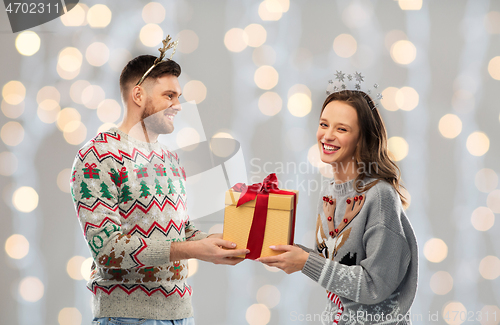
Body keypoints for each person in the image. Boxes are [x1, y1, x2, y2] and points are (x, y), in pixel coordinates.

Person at [70, 37, 249, 325]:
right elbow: (107, 249)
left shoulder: (169, 158)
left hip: (181, 315)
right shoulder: (99, 155)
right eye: (169, 96)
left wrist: (211, 243)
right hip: (127, 318)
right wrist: (191, 249)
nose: (179, 105)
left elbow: (179, 232)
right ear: (138, 95)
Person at [258, 89, 418, 324]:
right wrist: (288, 251)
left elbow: (375, 284)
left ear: (361, 138)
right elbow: (334, 265)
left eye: (341, 129)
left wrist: (305, 262)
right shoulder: (330, 192)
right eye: (324, 124)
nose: (327, 135)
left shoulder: (380, 196)